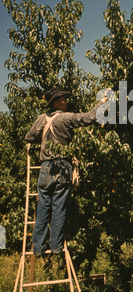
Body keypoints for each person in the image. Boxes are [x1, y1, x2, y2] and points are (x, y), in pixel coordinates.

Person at [25, 87, 108, 256]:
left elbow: (29, 137)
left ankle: (38, 248)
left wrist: (44, 141)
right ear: (56, 103)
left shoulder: (42, 118)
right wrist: (103, 102)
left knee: (42, 207)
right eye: (63, 99)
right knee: (59, 208)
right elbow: (89, 117)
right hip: (62, 167)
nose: (66, 101)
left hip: (45, 168)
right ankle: (56, 247)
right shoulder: (66, 118)